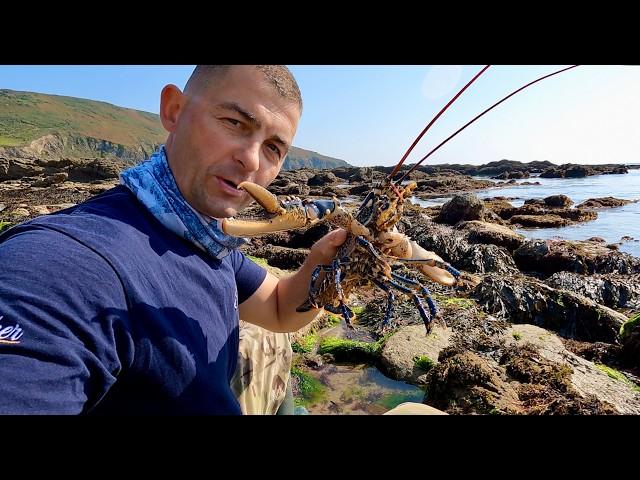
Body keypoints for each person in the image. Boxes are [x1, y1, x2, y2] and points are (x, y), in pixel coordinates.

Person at [0, 65, 347, 415]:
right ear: (173, 111)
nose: (251, 159)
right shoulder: (61, 265)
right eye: (234, 123)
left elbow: (278, 308)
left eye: (273, 148)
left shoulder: (205, 235)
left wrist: (332, 266)